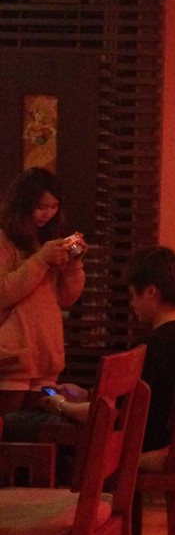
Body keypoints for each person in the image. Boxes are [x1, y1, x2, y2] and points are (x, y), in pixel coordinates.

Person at [38, 246, 175, 455]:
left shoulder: (150, 347)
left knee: (18, 423)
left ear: (151, 292)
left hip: (140, 447)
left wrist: (60, 404)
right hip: (170, 442)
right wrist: (87, 395)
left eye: (132, 295)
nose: (131, 304)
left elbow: (109, 414)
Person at [0, 167, 87, 414]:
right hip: (12, 359)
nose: (48, 214)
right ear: (23, 205)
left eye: (54, 207)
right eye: (41, 207)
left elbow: (66, 298)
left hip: (46, 358)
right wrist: (41, 260)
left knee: (35, 429)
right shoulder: (5, 240)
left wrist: (74, 265)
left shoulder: (46, 240)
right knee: (10, 429)